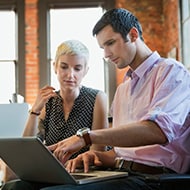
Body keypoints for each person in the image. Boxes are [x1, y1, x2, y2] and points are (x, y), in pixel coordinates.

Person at [2, 8, 190, 190]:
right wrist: (95, 156)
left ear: (133, 35)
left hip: (156, 178)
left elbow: (157, 130)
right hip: (122, 172)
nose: (106, 54)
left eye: (110, 43)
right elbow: (119, 152)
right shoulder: (123, 89)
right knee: (16, 186)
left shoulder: (171, 72)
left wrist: (85, 138)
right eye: (102, 47)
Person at [1, 40, 108, 188]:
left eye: (77, 68)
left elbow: (98, 150)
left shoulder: (97, 97)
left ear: (85, 71)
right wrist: (35, 110)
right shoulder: (49, 101)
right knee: (13, 186)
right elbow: (27, 149)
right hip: (54, 173)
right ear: (55, 67)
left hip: (85, 172)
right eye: (64, 67)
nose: (70, 75)